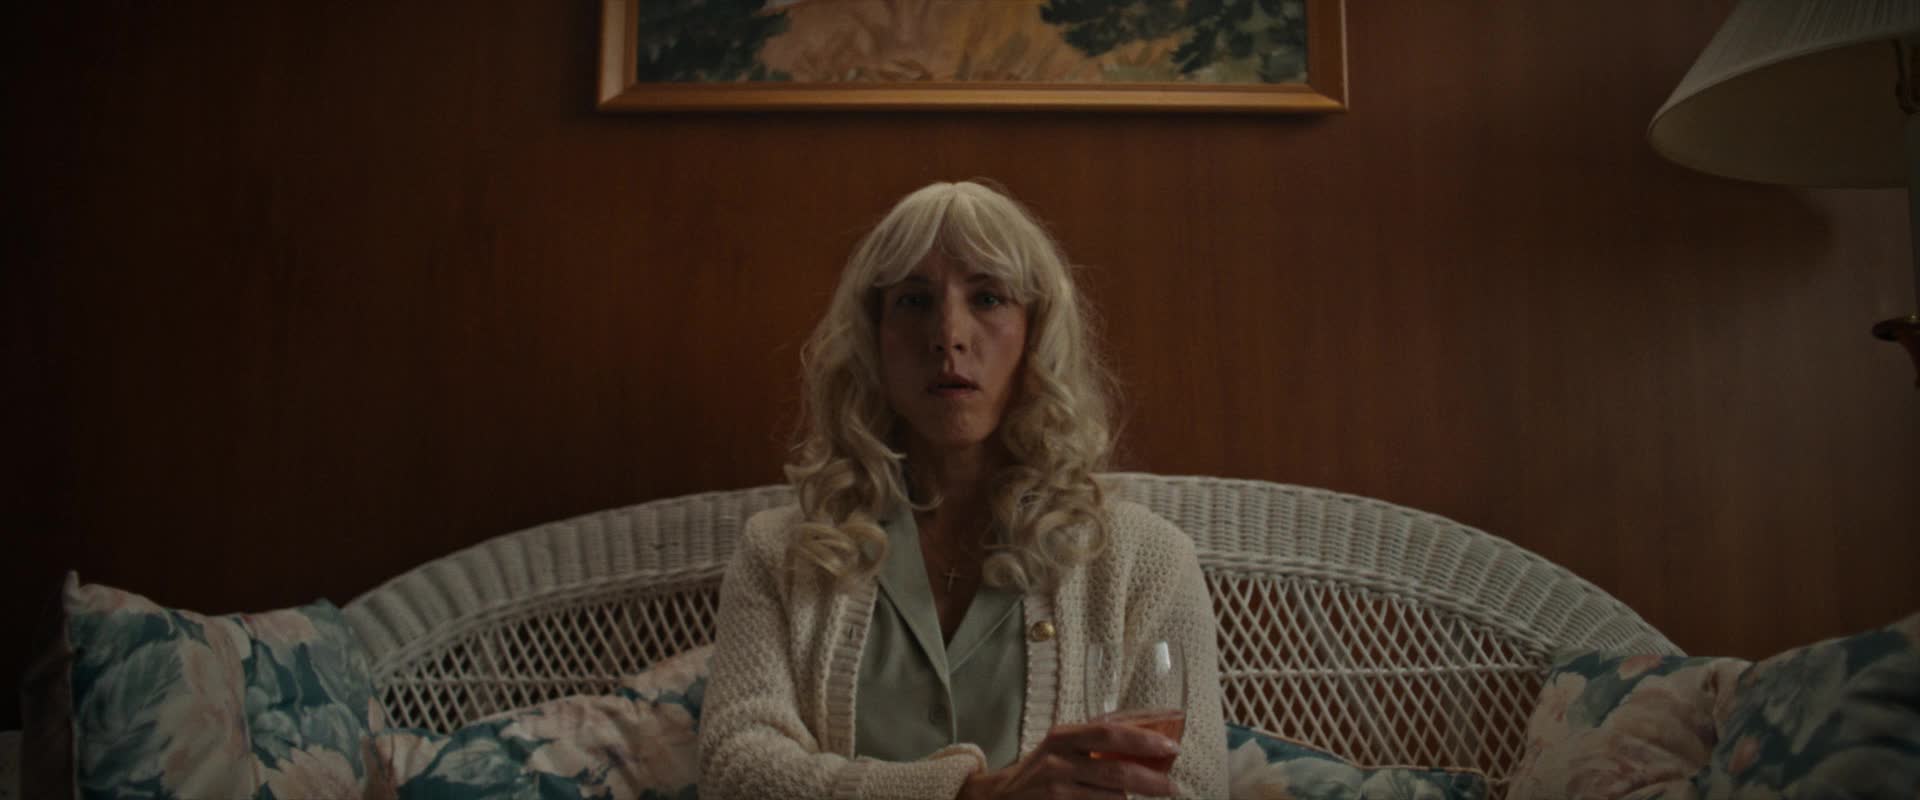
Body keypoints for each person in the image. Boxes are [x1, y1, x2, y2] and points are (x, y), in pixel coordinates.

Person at [698, 180, 1228, 799]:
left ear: (1036, 334)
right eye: (914, 301)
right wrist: (969, 796)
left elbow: (1190, 788)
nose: (948, 333)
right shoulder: (783, 552)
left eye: (988, 298)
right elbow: (733, 770)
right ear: (873, 337)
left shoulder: (1147, 562)